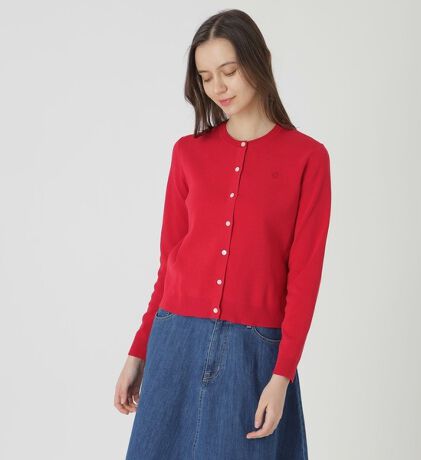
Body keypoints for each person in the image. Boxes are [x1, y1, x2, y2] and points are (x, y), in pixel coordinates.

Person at [114, 8, 331, 460]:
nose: (218, 88)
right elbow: (169, 264)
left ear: (259, 60)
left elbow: (304, 276)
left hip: (253, 352)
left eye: (228, 71)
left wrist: (282, 375)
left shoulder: (307, 158)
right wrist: (139, 351)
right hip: (175, 340)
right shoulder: (188, 154)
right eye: (206, 76)